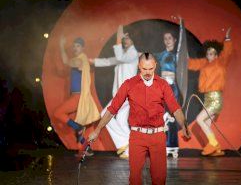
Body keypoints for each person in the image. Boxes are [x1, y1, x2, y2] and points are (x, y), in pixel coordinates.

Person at [89, 53, 191, 185]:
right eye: (144, 69)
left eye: (150, 69)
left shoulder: (162, 85)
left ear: (155, 66)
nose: (147, 72)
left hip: (157, 136)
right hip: (137, 136)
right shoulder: (129, 84)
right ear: (138, 66)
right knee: (135, 178)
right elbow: (112, 109)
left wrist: (184, 125)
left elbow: (175, 109)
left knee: (159, 178)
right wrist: (97, 130)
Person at [89, 25, 139, 159]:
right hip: (123, 94)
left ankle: (124, 143)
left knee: (105, 114)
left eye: (127, 39)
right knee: (121, 121)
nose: (125, 40)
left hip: (126, 94)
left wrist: (118, 38)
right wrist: (94, 61)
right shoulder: (124, 55)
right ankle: (131, 148)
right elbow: (111, 60)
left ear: (133, 40)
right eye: (124, 38)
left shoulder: (133, 53)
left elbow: (120, 58)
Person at [188, 27, 232, 156]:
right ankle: (216, 149)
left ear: (217, 54)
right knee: (206, 122)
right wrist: (181, 57)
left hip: (215, 98)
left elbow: (227, 52)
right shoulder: (204, 63)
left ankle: (213, 144)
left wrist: (228, 39)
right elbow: (191, 64)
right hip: (207, 98)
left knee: (199, 119)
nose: (209, 55)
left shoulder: (221, 62)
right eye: (207, 53)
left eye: (212, 53)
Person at [54, 36, 100, 155]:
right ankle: (84, 148)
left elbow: (66, 62)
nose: (75, 48)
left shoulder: (80, 60)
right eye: (74, 46)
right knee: (77, 124)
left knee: (58, 113)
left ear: (83, 48)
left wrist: (61, 46)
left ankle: (78, 128)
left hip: (78, 98)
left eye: (78, 46)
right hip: (76, 97)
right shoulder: (81, 59)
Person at [155, 31, 180, 157]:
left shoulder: (178, 55)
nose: (167, 40)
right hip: (162, 87)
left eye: (170, 38)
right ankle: (164, 144)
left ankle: (172, 145)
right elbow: (148, 56)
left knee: (171, 116)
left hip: (172, 88)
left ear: (175, 40)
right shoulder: (162, 55)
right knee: (162, 116)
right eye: (165, 38)